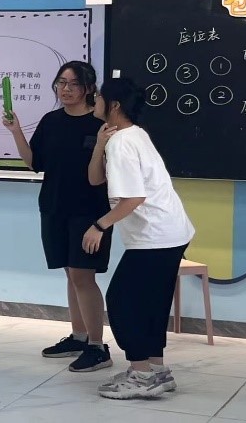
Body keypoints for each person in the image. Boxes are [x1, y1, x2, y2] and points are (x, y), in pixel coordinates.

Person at [84, 77, 195, 399]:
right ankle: (156, 370)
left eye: (100, 97)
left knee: (123, 302)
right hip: (170, 233)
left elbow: (134, 198)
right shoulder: (129, 134)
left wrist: (99, 226)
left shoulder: (123, 143)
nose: (95, 100)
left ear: (114, 105)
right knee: (151, 303)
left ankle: (141, 373)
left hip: (155, 236)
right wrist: (100, 144)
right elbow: (95, 179)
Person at [2, 61, 114, 372]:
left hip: (90, 211)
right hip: (54, 206)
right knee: (71, 273)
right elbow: (35, 162)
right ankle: (79, 337)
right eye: (61, 83)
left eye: (73, 84)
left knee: (83, 275)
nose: (65, 89)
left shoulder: (100, 124)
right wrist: (16, 131)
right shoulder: (51, 121)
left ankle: (98, 346)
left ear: (89, 88)